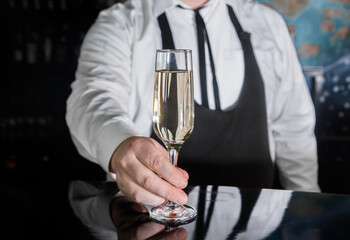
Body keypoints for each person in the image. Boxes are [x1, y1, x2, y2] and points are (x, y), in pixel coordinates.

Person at [66, 0, 320, 207]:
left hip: (255, 224)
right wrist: (118, 143)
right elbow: (92, 96)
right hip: (151, 224)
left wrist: (307, 200)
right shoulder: (122, 22)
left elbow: (293, 125)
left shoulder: (268, 22)